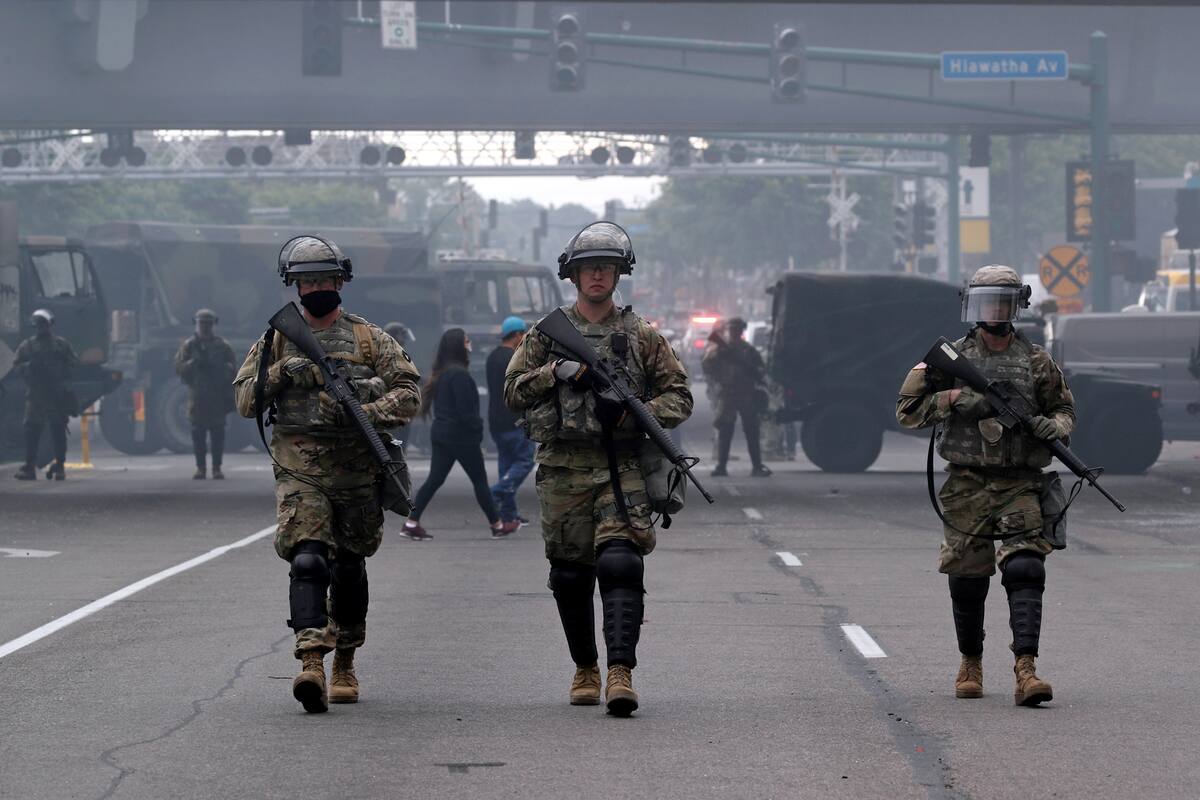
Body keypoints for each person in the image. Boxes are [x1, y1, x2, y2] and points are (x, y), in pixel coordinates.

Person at [504, 221, 692, 717]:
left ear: (619, 274)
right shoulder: (545, 335)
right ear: (572, 275)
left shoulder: (641, 335)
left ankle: (620, 672)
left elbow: (680, 397)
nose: (597, 276)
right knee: (570, 576)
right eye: (588, 268)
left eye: (607, 268)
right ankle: (585, 667)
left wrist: (635, 413)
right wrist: (553, 372)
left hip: (620, 465)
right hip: (562, 468)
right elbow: (512, 393)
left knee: (621, 563)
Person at [233, 235, 422, 713]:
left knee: (349, 568)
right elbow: (244, 401)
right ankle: (312, 661)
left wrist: (367, 409)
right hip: (301, 468)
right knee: (308, 559)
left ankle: (345, 662)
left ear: (341, 282)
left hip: (357, 470)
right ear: (294, 286)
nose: (316, 288)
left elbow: (410, 394)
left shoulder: (369, 339)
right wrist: (283, 372)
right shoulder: (276, 340)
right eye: (307, 281)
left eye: (324, 279)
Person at [896, 265, 1074, 707]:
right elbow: (907, 410)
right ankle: (970, 663)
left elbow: (1065, 409)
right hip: (967, 484)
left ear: (1017, 306)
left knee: (1026, 568)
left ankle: (1026, 669)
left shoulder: (1037, 361)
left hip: (1020, 483)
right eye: (986, 303)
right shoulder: (952, 358)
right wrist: (955, 397)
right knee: (967, 578)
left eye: (1002, 303)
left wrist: (1053, 427)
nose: (994, 312)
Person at [401, 329, 520, 541]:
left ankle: (411, 522)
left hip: (442, 434)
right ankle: (498, 525)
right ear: (459, 346)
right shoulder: (459, 375)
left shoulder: (443, 373)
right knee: (480, 481)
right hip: (461, 437)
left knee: (434, 480)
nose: (469, 344)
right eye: (466, 341)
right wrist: (478, 430)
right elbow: (466, 412)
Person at [12, 309, 78, 481]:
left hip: (55, 393)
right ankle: (30, 467)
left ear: (50, 325)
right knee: (32, 430)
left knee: (57, 429)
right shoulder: (28, 346)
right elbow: (16, 366)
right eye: (39, 325)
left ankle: (59, 466)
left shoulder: (61, 345)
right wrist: (29, 367)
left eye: (44, 324)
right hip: (37, 393)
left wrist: (60, 371)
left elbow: (73, 363)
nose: (42, 328)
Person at [701, 317, 771, 477]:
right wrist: (717, 355)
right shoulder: (720, 349)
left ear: (741, 331)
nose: (734, 332)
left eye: (737, 329)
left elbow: (760, 369)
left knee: (752, 430)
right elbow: (707, 366)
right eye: (732, 329)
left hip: (746, 393)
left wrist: (755, 373)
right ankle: (721, 466)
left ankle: (757, 466)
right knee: (725, 430)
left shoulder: (749, 350)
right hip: (728, 393)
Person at [175, 308, 237, 479]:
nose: (204, 326)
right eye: (201, 323)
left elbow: (233, 368)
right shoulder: (190, 346)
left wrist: (225, 372)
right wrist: (192, 363)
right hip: (198, 395)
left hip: (217, 395)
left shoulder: (222, 346)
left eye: (208, 323)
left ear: (213, 325)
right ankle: (201, 468)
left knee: (218, 434)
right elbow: (179, 368)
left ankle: (216, 467)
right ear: (196, 324)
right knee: (198, 434)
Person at [488, 316, 535, 526]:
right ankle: (495, 493)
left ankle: (508, 514)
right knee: (525, 461)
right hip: (513, 418)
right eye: (523, 334)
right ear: (517, 335)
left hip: (495, 420)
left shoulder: (492, 356)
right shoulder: (514, 358)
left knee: (506, 466)